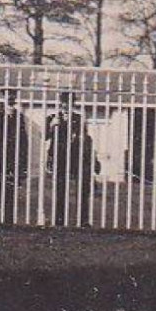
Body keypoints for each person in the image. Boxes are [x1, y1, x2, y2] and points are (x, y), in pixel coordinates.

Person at [47, 93, 96, 227]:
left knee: (82, 189)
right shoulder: (53, 117)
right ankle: (59, 220)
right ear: (60, 103)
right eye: (64, 102)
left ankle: (83, 220)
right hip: (59, 157)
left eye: (70, 102)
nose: (66, 105)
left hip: (76, 157)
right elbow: (45, 136)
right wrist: (51, 126)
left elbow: (85, 138)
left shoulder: (79, 118)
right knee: (60, 189)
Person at [0, 90, 31, 226]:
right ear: (4, 97)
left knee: (10, 188)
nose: (11, 97)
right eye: (8, 94)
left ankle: (8, 220)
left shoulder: (19, 116)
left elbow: (23, 139)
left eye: (13, 95)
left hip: (13, 157)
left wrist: (22, 159)